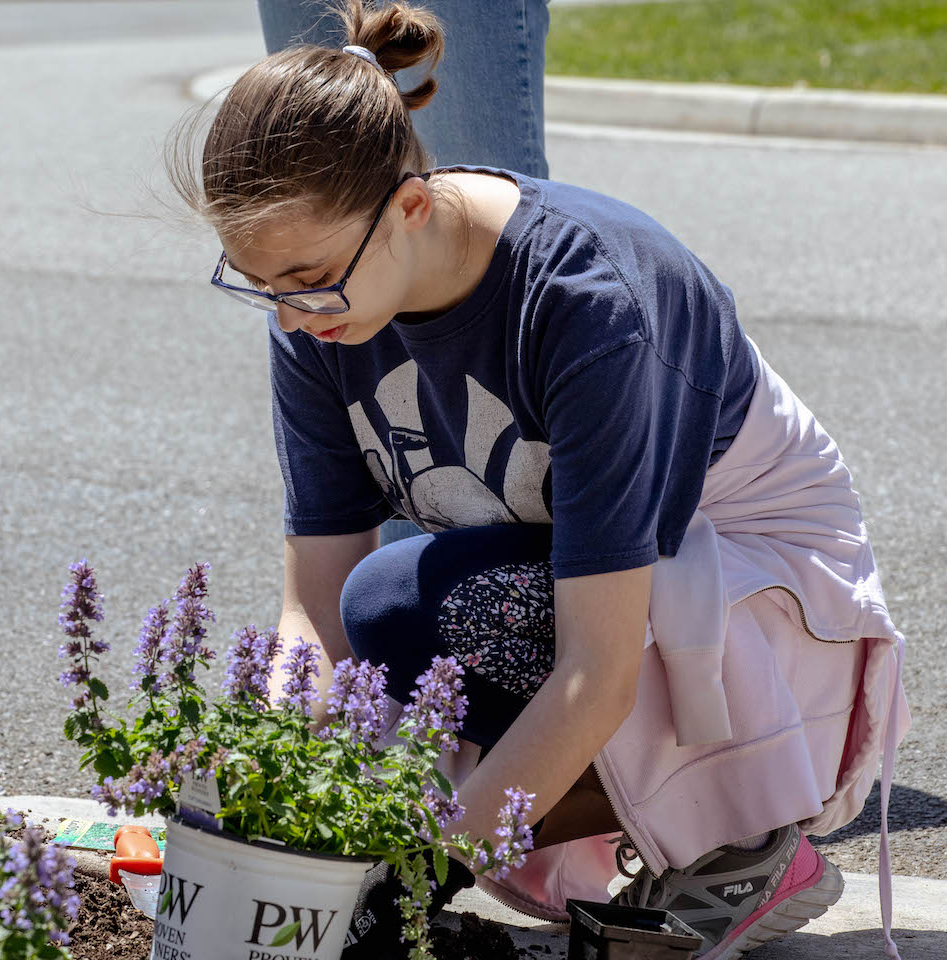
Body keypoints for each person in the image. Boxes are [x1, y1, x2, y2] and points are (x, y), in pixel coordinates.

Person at [169, 2, 910, 957]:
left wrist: (411, 872)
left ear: (407, 206)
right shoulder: (319, 305)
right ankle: (638, 822)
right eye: (257, 284)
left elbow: (593, 675)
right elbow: (313, 616)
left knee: (414, 606)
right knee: (384, 615)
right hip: (610, 590)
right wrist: (269, 785)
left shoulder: (587, 301)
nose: (286, 319)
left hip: (765, 611)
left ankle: (738, 835)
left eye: (305, 280)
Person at [258, 0, 551, 550]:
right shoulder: (299, 311)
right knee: (315, 227)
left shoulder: (579, 289)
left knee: (468, 248)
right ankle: (424, 593)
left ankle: (515, 593)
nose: (285, 317)